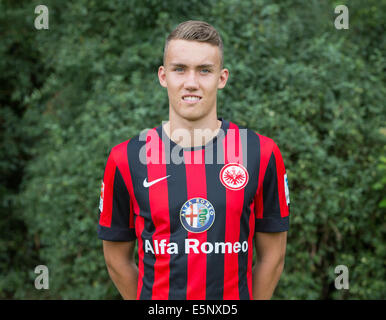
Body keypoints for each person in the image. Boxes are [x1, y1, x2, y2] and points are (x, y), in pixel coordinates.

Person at [97, 20, 290, 300]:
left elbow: (273, 256)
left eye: (204, 70)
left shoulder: (260, 153)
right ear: (163, 76)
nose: (191, 82)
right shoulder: (126, 158)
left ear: (222, 78)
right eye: (179, 69)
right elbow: (116, 259)